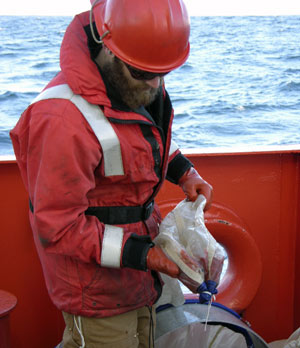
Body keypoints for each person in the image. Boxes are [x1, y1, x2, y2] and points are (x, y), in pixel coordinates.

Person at [10, 0, 213, 347]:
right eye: (143, 74)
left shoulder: (134, 71)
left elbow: (139, 136)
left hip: (139, 277)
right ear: (108, 47)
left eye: (162, 73)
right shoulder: (60, 120)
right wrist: (143, 254)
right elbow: (59, 227)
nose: (153, 84)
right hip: (95, 291)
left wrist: (183, 171)